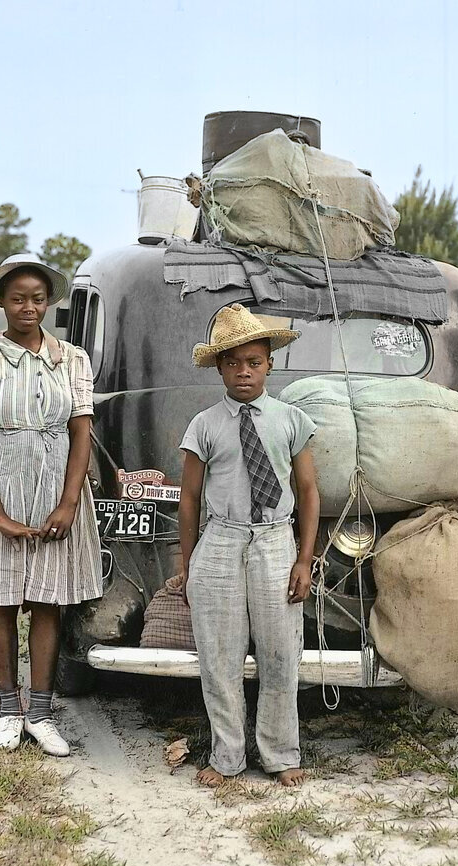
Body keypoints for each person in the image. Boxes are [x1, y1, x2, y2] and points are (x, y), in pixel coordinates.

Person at [0, 254, 102, 756]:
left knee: (47, 600)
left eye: (37, 299)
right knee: (1, 600)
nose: (28, 308)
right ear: (0, 300)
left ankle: (40, 711)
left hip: (57, 490)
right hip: (3, 486)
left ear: (49, 303)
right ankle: (8, 707)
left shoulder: (73, 359)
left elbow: (81, 432)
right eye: (17, 298)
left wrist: (67, 504)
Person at [178, 304, 320, 789]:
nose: (244, 372)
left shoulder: (291, 420)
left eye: (254, 362)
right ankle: (227, 756)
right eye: (234, 363)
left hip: (276, 541)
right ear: (219, 367)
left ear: (270, 365)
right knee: (220, 655)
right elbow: (191, 499)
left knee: (281, 652)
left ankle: (281, 753)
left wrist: (304, 558)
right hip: (220, 542)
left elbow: (308, 492)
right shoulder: (205, 425)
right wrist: (188, 564)